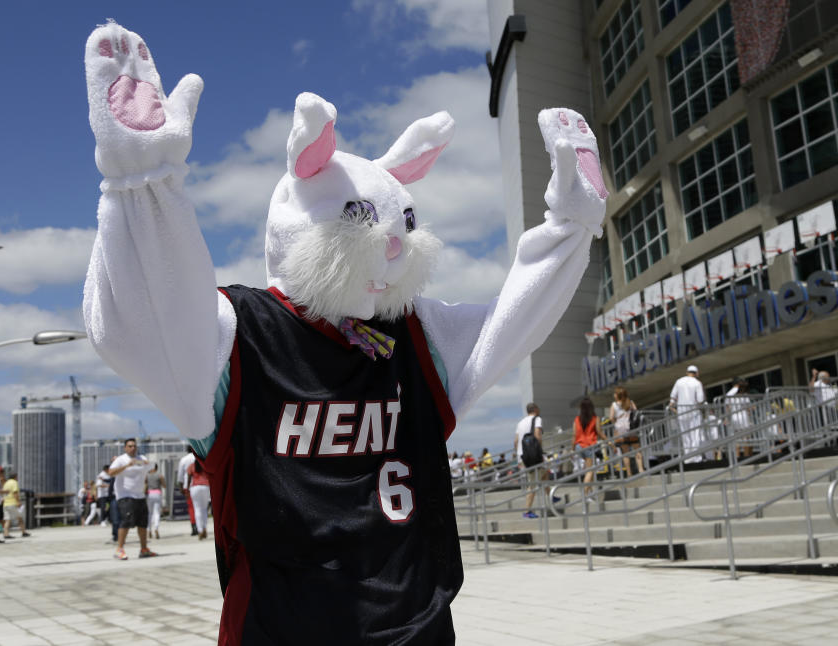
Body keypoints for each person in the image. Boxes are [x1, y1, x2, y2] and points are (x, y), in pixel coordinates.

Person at [82, 22, 605, 642]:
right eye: (360, 221)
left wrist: (570, 227)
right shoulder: (240, 337)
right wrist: (142, 187)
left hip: (419, 625)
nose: (391, 248)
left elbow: (511, 322)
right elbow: (141, 322)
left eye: (401, 226)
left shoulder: (415, 334)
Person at [108, 438, 155, 559]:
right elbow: (111, 472)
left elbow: (152, 469)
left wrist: (148, 464)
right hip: (125, 495)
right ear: (125, 448)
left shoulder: (142, 458)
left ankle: (144, 549)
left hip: (140, 495)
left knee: (143, 523)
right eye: (129, 446)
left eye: (134, 446)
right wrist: (127, 465)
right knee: (126, 521)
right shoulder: (121, 459)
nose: (132, 448)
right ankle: (119, 549)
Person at [514, 402, 550, 518]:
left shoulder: (520, 422)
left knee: (544, 473)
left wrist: (520, 454)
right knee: (533, 482)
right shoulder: (537, 419)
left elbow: (515, 441)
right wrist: (539, 452)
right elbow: (538, 435)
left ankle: (551, 496)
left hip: (522, 456)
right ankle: (527, 511)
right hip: (533, 455)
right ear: (535, 409)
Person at [669, 365, 706, 463]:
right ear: (696, 373)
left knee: (685, 435)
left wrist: (672, 405)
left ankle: (688, 458)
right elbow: (700, 399)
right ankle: (696, 457)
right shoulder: (697, 383)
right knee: (695, 434)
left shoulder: (679, 381)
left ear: (687, 372)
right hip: (693, 412)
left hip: (681, 411)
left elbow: (673, 396)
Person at [573, 398, 607, 496]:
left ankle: (590, 493)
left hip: (579, 446)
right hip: (589, 446)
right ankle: (585, 493)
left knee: (588, 469)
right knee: (590, 470)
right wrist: (610, 443)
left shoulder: (577, 419)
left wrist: (572, 449)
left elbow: (574, 436)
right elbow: (600, 433)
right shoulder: (595, 418)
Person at [610, 387, 644, 477]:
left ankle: (629, 473)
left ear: (617, 395)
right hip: (631, 429)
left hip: (620, 431)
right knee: (637, 450)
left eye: (615, 393)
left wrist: (616, 422)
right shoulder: (630, 402)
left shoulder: (614, 405)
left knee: (625, 453)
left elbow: (611, 418)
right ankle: (641, 470)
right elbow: (636, 412)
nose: (614, 395)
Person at [186, 458, 211, 540]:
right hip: (205, 486)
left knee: (197, 509)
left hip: (195, 487)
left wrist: (187, 489)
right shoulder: (205, 465)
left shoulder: (191, 466)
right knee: (204, 509)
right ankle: (204, 528)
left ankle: (200, 530)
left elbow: (189, 478)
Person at [176, 452, 199, 536]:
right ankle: (202, 527)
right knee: (200, 508)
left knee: (191, 508)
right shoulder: (199, 457)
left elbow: (180, 475)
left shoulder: (184, 459)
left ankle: (194, 527)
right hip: (201, 484)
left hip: (188, 486)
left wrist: (181, 487)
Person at [2, 472, 30, 538]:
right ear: (15, 477)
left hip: (5, 504)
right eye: (17, 477)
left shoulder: (6, 483)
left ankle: (6, 534)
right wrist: (18, 502)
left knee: (7, 519)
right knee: (20, 518)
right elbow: (15, 493)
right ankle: (24, 532)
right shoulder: (14, 482)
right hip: (12, 503)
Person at [145, 463, 165, 540]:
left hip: (150, 494)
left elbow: (145, 484)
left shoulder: (147, 476)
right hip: (157, 493)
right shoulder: (160, 475)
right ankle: (156, 528)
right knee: (157, 512)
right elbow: (164, 485)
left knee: (150, 513)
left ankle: (149, 529)